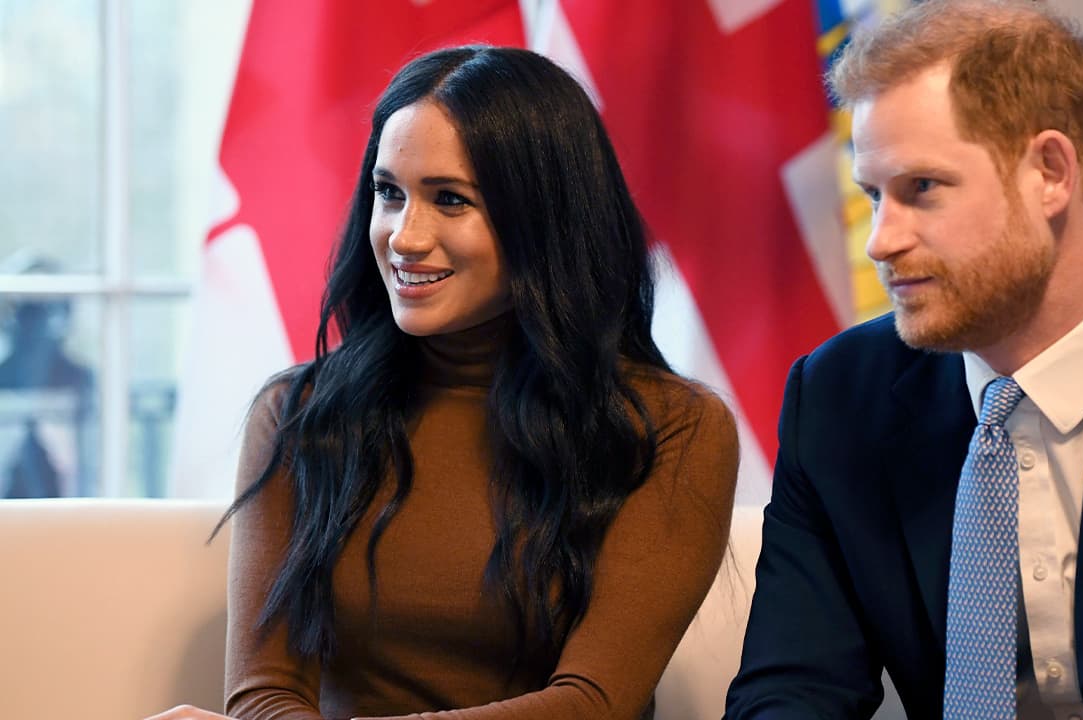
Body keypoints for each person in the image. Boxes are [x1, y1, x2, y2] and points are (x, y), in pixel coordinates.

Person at [147, 45, 739, 720]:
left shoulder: (673, 427)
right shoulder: (298, 413)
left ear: (546, 221)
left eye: (450, 200)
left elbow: (593, 705)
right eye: (389, 192)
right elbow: (264, 697)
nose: (404, 236)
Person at [725, 1, 1083, 718]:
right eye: (872, 195)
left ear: (1051, 172)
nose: (879, 240)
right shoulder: (836, 399)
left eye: (921, 189)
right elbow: (791, 691)